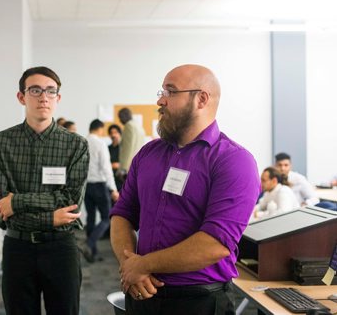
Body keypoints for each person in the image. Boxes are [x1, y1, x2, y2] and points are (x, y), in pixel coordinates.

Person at [110, 64, 260, 315]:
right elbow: (122, 214)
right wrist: (129, 265)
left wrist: (142, 264)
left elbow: (216, 243)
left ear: (201, 99)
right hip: (141, 291)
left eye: (170, 91)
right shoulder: (148, 154)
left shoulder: (233, 161)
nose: (160, 100)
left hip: (199, 301)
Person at [0, 66, 89, 315]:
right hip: (17, 248)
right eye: (35, 90)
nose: (43, 97)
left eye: (50, 91)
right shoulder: (2, 142)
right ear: (21, 97)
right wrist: (50, 216)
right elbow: (2, 206)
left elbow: (70, 201)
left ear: (58, 98)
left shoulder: (75, 145)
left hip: (61, 248)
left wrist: (18, 201)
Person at [82, 119, 119, 262]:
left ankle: (92, 253)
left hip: (86, 186)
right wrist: (113, 189)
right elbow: (106, 168)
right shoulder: (100, 143)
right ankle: (89, 244)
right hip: (99, 185)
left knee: (90, 218)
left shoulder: (82, 142)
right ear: (100, 129)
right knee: (107, 218)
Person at [117, 108, 145, 178]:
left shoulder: (128, 126)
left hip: (129, 166)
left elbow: (128, 148)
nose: (120, 121)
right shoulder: (138, 126)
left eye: (120, 118)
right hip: (138, 163)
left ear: (123, 117)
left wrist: (123, 168)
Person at [108, 124, 124, 191]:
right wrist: (111, 165)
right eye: (111, 133)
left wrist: (119, 165)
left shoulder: (124, 148)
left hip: (122, 180)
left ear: (120, 134)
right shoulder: (107, 148)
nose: (113, 135)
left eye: (115, 132)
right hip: (111, 180)